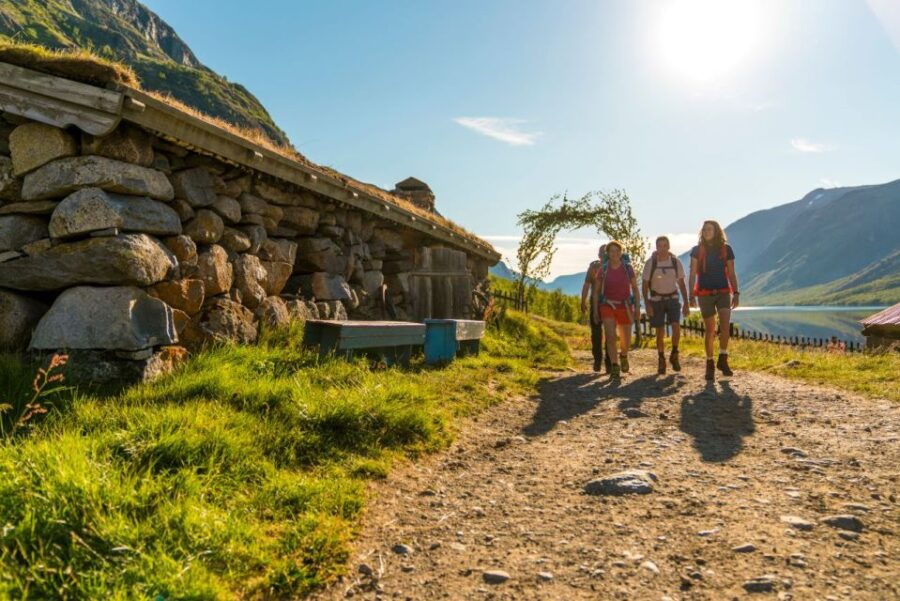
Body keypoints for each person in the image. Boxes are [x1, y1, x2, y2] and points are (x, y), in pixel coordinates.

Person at [688, 220, 740, 380]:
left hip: (723, 292)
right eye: (704, 229)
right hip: (704, 293)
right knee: (710, 330)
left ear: (716, 231)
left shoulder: (726, 249)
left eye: (709, 229)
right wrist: (691, 295)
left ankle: (723, 359)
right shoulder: (697, 250)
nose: (706, 231)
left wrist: (736, 293)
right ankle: (709, 363)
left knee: (725, 326)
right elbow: (692, 274)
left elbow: (731, 273)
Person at [592, 240, 641, 379]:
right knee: (610, 337)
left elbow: (635, 289)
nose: (615, 254)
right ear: (607, 253)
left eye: (617, 251)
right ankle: (614, 366)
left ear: (621, 253)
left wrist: (637, 307)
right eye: (612, 251)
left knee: (626, 339)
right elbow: (596, 291)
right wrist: (595, 310)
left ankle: (623, 355)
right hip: (607, 305)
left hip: (625, 306)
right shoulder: (603, 269)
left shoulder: (628, 268)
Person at [642, 236, 690, 375]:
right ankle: (661, 358)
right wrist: (647, 304)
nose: (662, 248)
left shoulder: (676, 262)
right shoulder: (650, 263)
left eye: (664, 245)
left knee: (676, 327)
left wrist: (686, 303)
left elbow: (681, 284)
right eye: (659, 246)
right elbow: (645, 285)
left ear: (668, 247)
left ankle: (674, 353)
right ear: (656, 247)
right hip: (656, 300)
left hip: (673, 299)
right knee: (660, 332)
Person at [580, 244, 611, 372]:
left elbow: (587, 285)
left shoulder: (611, 266)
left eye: (605, 253)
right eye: (602, 253)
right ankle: (601, 360)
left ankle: (606, 361)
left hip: (607, 303)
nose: (603, 255)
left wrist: (583, 301)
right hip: (597, 303)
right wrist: (583, 301)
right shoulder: (594, 266)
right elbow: (587, 284)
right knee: (599, 333)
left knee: (606, 333)